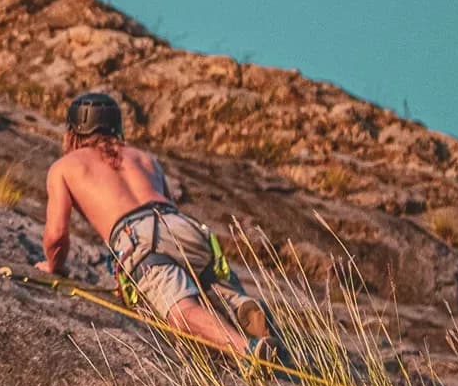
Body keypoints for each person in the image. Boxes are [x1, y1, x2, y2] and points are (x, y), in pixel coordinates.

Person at [35, 91, 281, 359]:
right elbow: (168, 203)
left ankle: (247, 351)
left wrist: (52, 266)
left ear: (72, 132)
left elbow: (57, 235)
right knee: (216, 286)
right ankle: (241, 304)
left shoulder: (65, 166)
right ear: (116, 126)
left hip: (137, 237)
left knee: (180, 309)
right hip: (181, 225)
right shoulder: (144, 158)